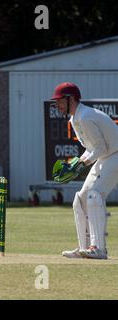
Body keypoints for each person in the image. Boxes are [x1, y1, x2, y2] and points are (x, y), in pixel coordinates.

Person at [51, 82, 118, 259]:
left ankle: (99, 249)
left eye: (59, 101)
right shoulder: (75, 119)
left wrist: (82, 164)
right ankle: (84, 248)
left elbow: (101, 148)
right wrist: (76, 163)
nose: (57, 105)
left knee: (94, 194)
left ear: (70, 99)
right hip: (107, 155)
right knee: (80, 199)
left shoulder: (86, 117)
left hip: (115, 154)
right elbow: (92, 148)